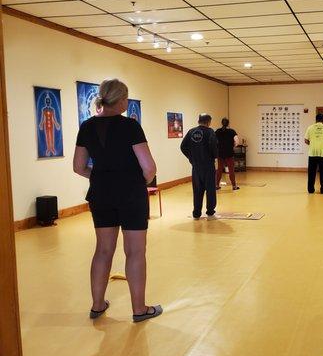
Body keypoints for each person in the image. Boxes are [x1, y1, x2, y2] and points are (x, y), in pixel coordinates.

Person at [73, 79, 162, 323]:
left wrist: (103, 177)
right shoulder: (131, 126)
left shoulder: (87, 127)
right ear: (121, 100)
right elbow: (149, 168)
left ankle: (98, 305)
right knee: (135, 251)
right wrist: (131, 182)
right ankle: (139, 309)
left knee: (102, 250)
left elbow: (78, 167)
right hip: (131, 194)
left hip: (100, 193)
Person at [181, 113, 218, 220]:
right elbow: (214, 147)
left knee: (197, 190)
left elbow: (183, 146)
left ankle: (196, 213)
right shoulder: (210, 132)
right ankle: (210, 211)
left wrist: (191, 158)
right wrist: (214, 156)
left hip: (196, 166)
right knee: (210, 189)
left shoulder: (191, 132)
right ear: (208, 122)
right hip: (208, 165)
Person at [305, 113, 323, 194]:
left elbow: (306, 140)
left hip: (312, 153)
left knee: (311, 172)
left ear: (316, 119)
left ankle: (310, 190)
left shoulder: (310, 128)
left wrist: (313, 144)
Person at [215, 118, 240, 190]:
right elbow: (237, 141)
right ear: (228, 123)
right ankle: (234, 186)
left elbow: (213, 140)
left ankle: (216, 185)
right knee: (231, 170)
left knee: (219, 170)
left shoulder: (217, 131)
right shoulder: (232, 131)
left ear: (221, 123)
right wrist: (233, 146)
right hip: (229, 153)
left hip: (220, 153)